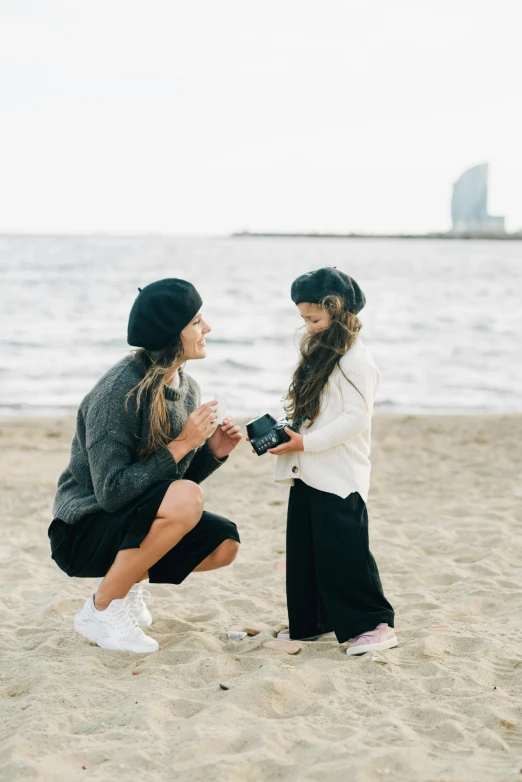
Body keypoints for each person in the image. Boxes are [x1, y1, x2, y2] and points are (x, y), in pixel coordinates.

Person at [48, 278, 242, 653]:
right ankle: (102, 607)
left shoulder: (187, 388)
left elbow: (171, 484)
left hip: (129, 518)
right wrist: (183, 443)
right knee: (187, 498)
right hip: (82, 528)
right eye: (197, 322)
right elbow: (111, 492)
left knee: (224, 544)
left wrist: (212, 452)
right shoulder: (118, 392)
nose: (208, 329)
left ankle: (128, 582)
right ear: (174, 332)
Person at [267, 267, 397, 656]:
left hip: (340, 475)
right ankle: (313, 623)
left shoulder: (357, 358)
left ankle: (375, 624)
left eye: (314, 319)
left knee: (345, 554)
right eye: (303, 319)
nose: (307, 326)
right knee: (308, 553)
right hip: (309, 471)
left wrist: (306, 442)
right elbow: (323, 411)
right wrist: (292, 434)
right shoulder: (324, 352)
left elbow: (356, 418)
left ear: (338, 312)